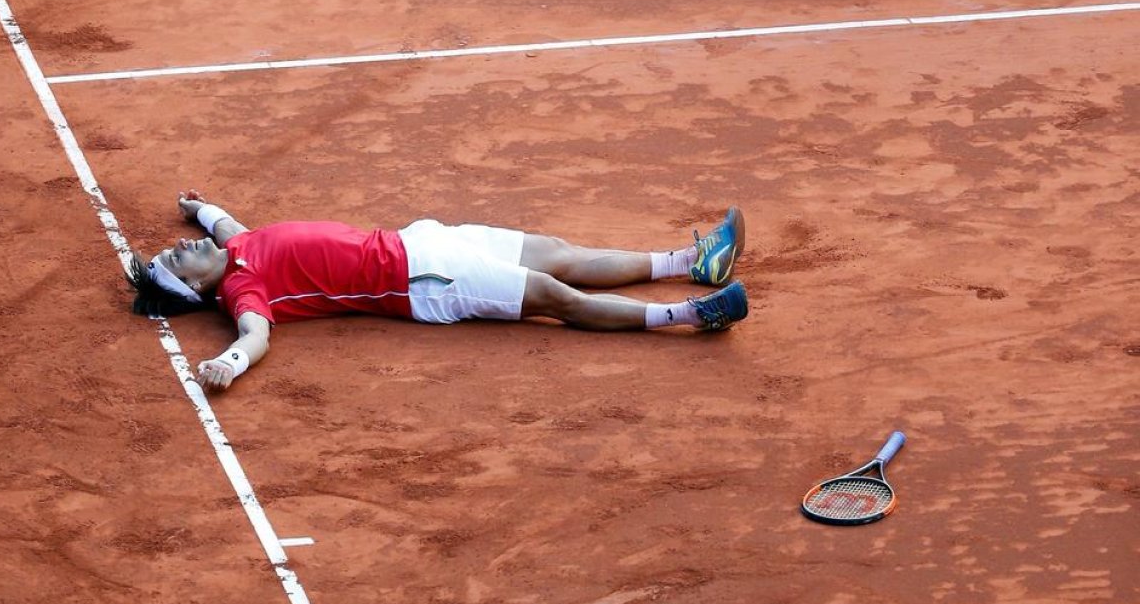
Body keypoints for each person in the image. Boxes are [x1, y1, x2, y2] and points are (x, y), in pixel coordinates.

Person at [126, 190, 749, 392]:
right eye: (173, 261)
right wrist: (229, 364)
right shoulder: (241, 288)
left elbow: (226, 223)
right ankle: (692, 313)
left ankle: (694, 262)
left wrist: (198, 208)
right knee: (557, 297)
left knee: (560, 253)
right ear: (193, 288)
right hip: (424, 281)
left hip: (424, 240)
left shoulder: (237, 246)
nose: (177, 248)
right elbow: (256, 334)